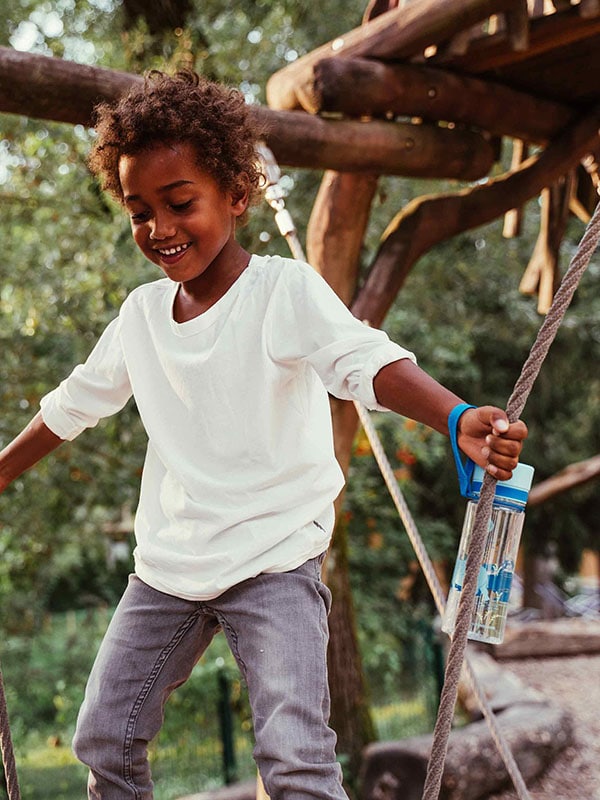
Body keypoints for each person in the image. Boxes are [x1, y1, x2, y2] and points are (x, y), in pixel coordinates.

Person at [0, 71, 528, 800]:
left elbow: (363, 361)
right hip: (171, 565)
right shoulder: (141, 317)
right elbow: (72, 404)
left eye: (180, 203)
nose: (159, 229)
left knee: (292, 757)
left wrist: (454, 415)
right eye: (139, 211)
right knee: (103, 737)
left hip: (275, 557)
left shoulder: (282, 291)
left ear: (237, 195)